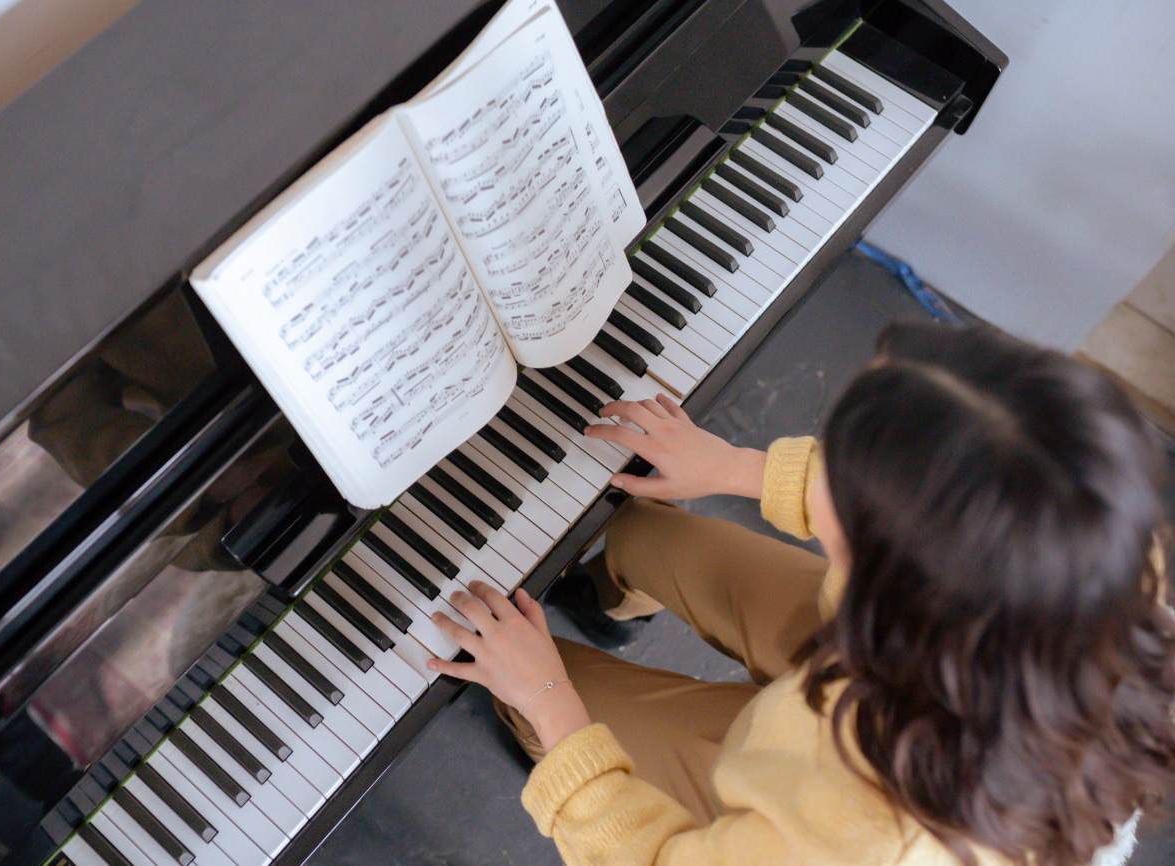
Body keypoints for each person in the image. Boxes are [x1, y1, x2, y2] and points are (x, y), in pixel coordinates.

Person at [425, 323, 1175, 866]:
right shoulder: (1092, 528)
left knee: (542, 692)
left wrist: (550, 699)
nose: (826, 490)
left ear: (903, 566)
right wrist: (732, 467)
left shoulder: (872, 836)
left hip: (863, 778)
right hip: (907, 681)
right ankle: (615, 592)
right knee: (648, 535)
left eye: (844, 492)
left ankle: (560, 683)